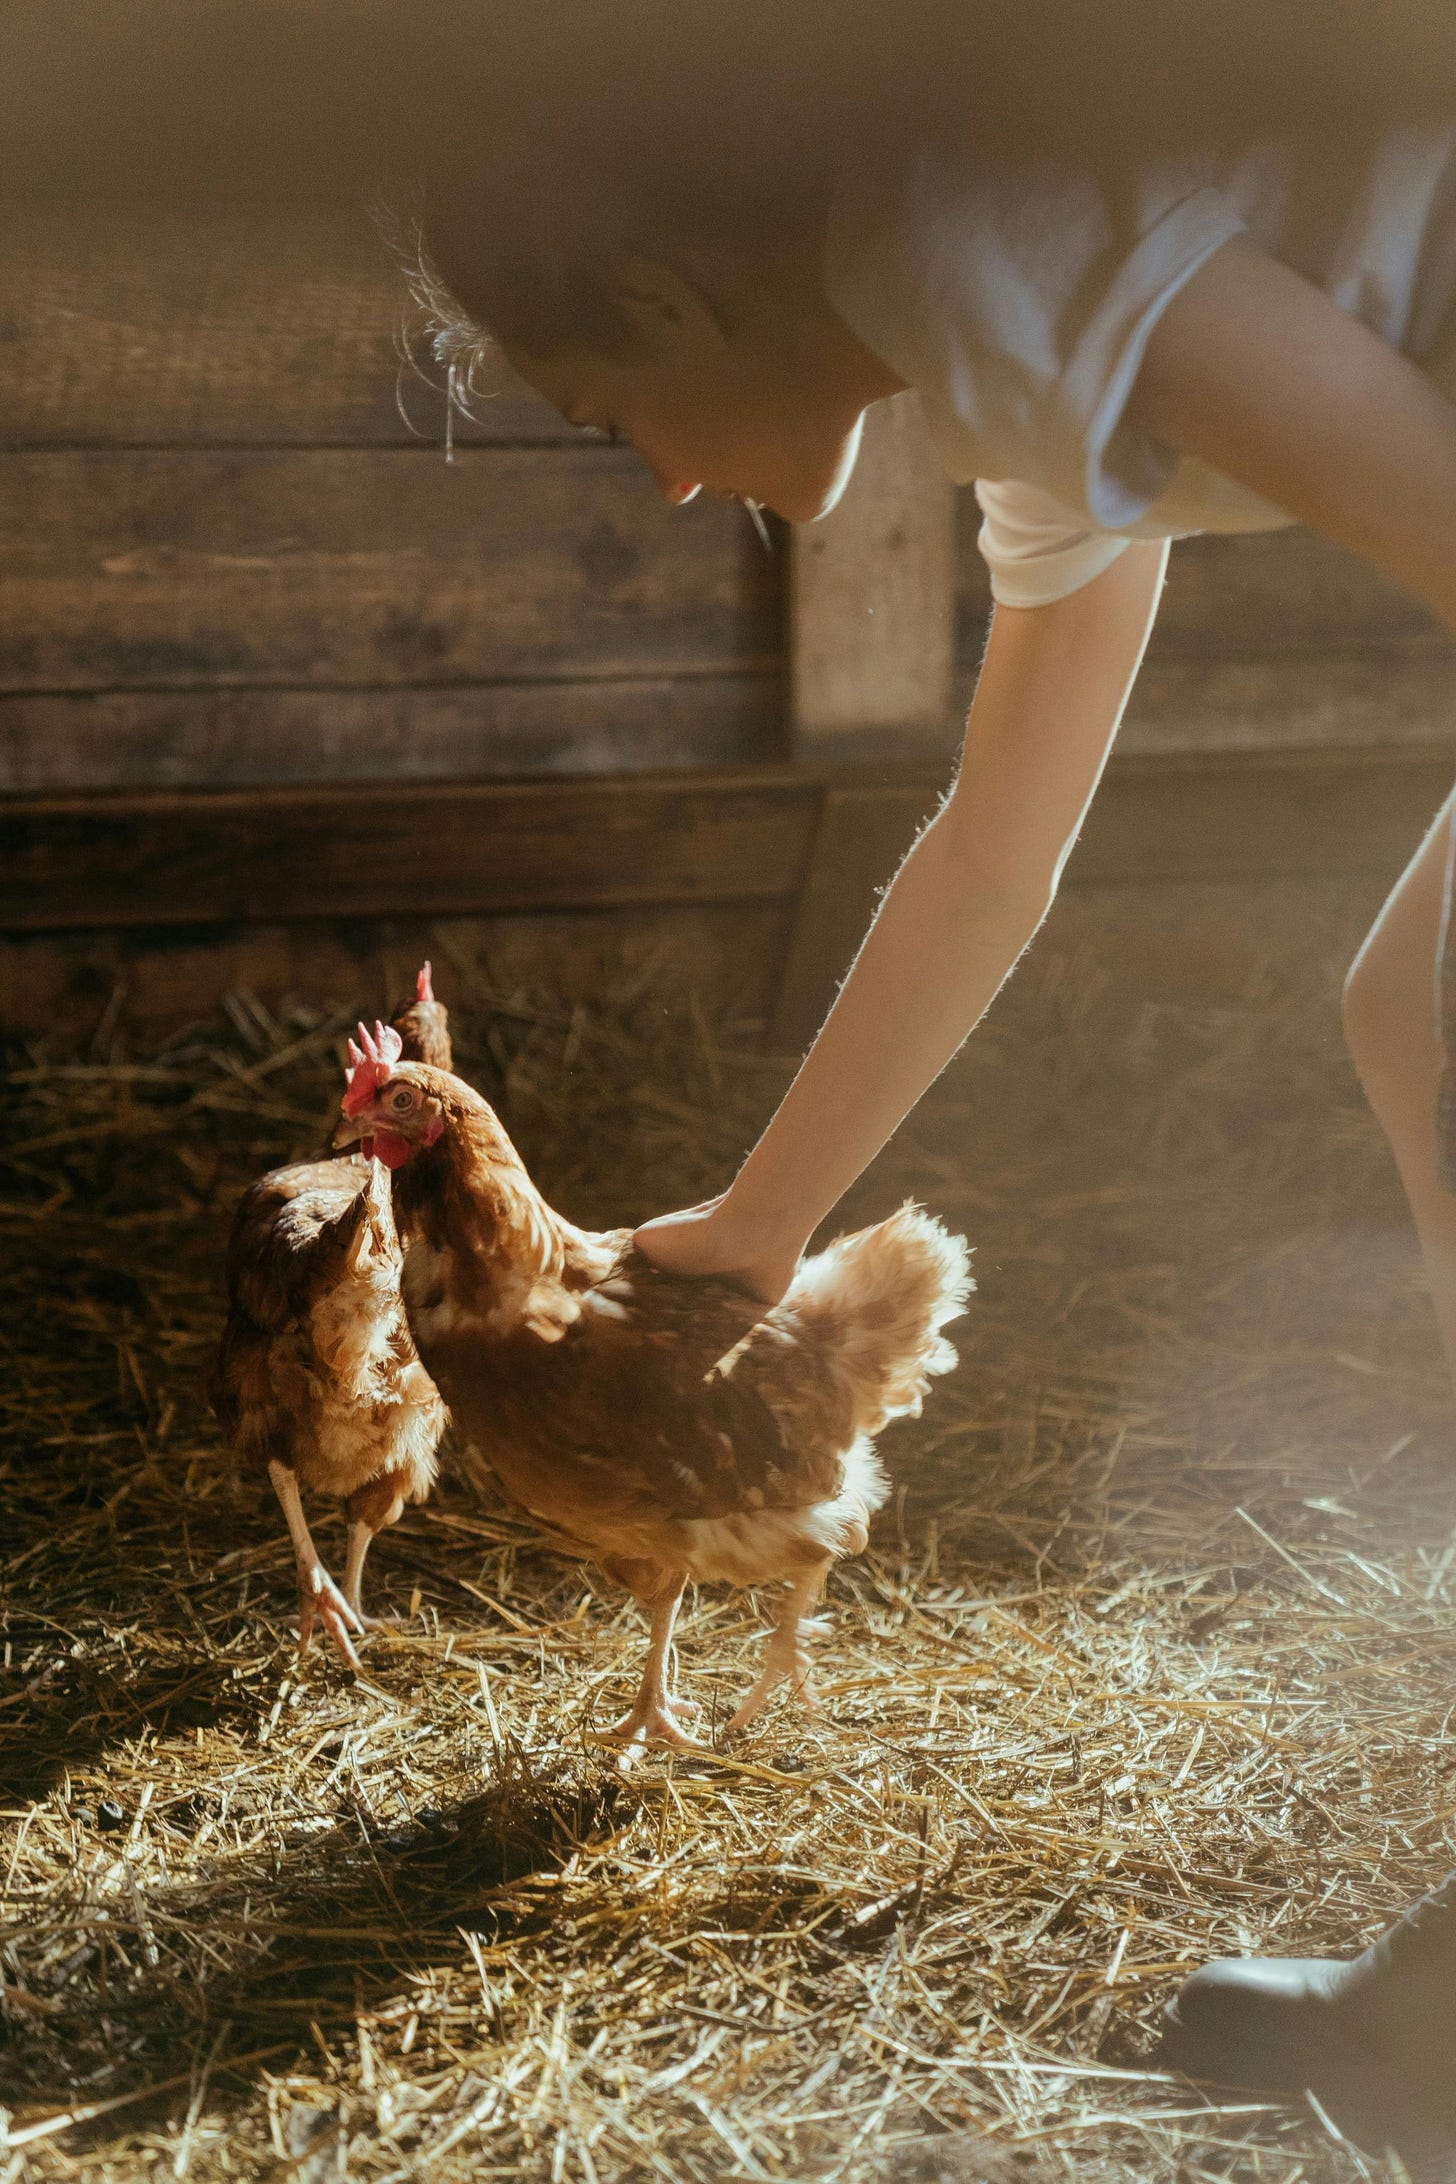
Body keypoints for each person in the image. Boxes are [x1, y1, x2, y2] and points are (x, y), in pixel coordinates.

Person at [404, 5, 1456, 2144]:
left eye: (615, 411)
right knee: (1412, 1012)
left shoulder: (962, 232)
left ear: (675, 294)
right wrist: (759, 1224)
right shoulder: (1007, 349)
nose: (664, 478)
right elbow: (994, 854)